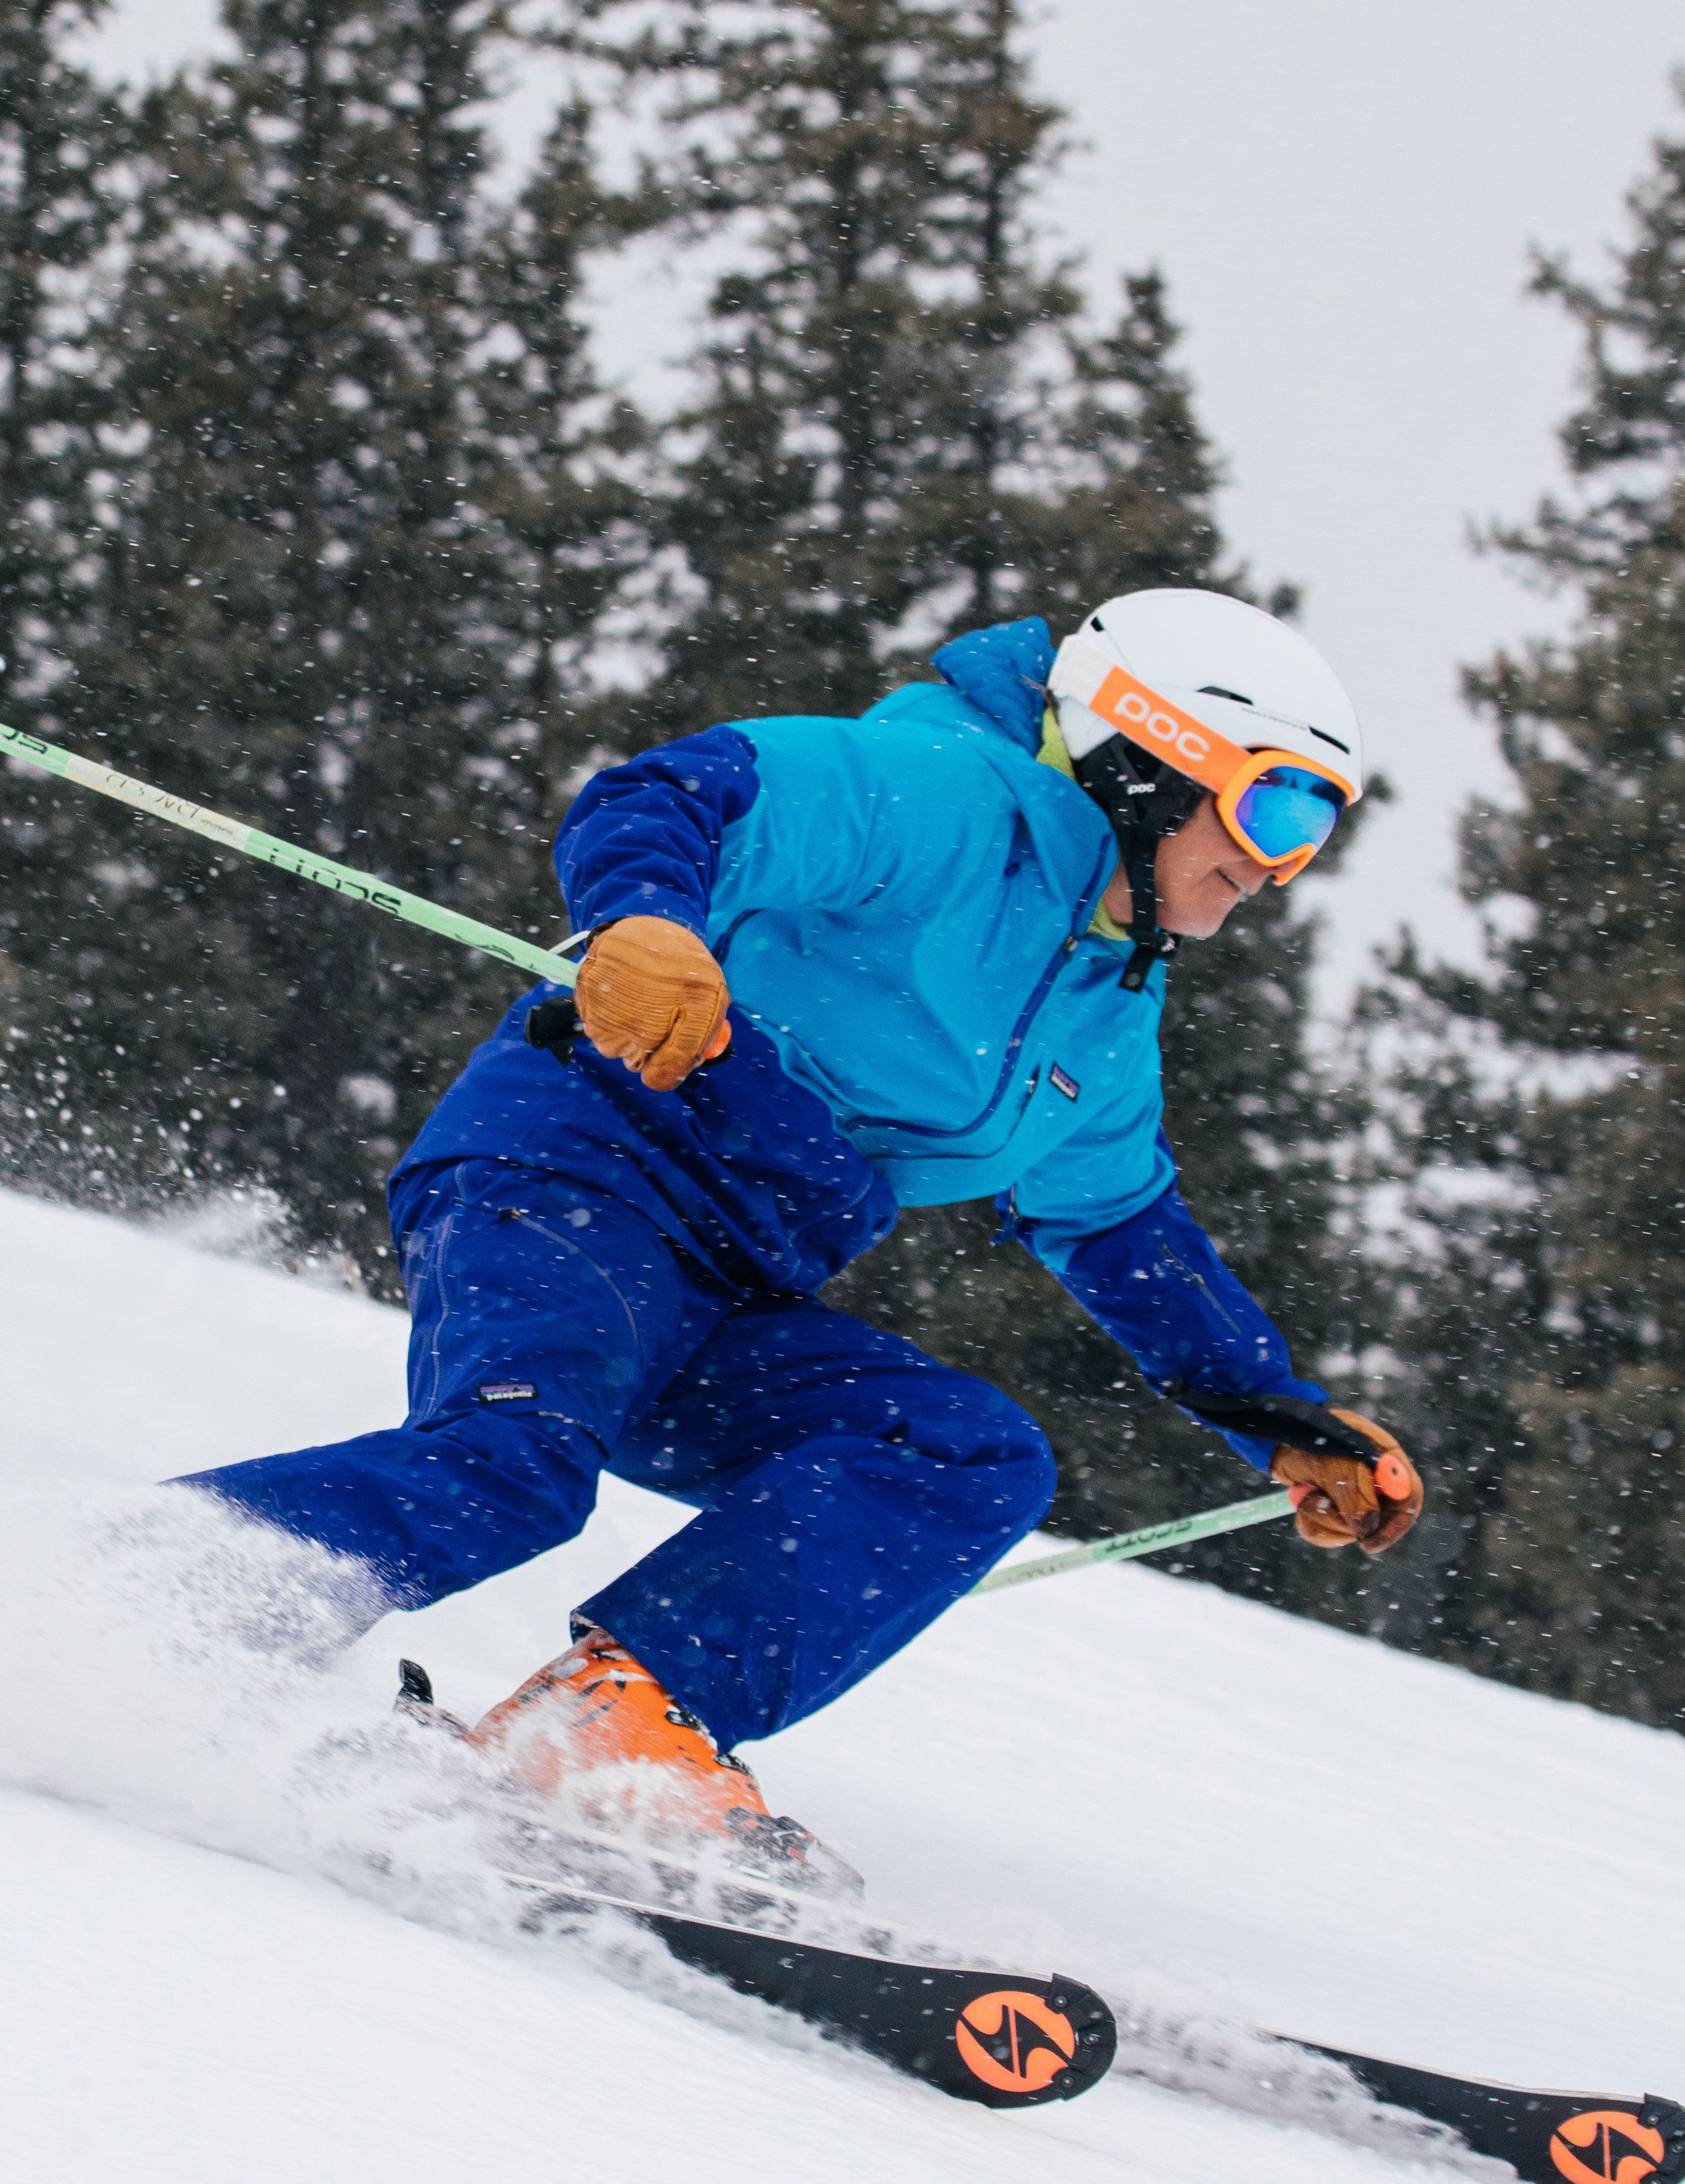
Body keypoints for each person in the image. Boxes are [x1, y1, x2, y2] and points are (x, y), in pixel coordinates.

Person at [179, 588, 1421, 1872]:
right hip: (575, 1170)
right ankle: (136, 1608)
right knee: (511, 1466)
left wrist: (1274, 1415)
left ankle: (607, 1731)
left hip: (727, 1284)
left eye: (1318, 833)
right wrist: (647, 920)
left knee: (962, 1453)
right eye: (1275, 808)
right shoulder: (942, 795)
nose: (1278, 863)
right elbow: (674, 792)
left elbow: (1115, 1226)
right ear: (1152, 752)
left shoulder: (1103, 1004)